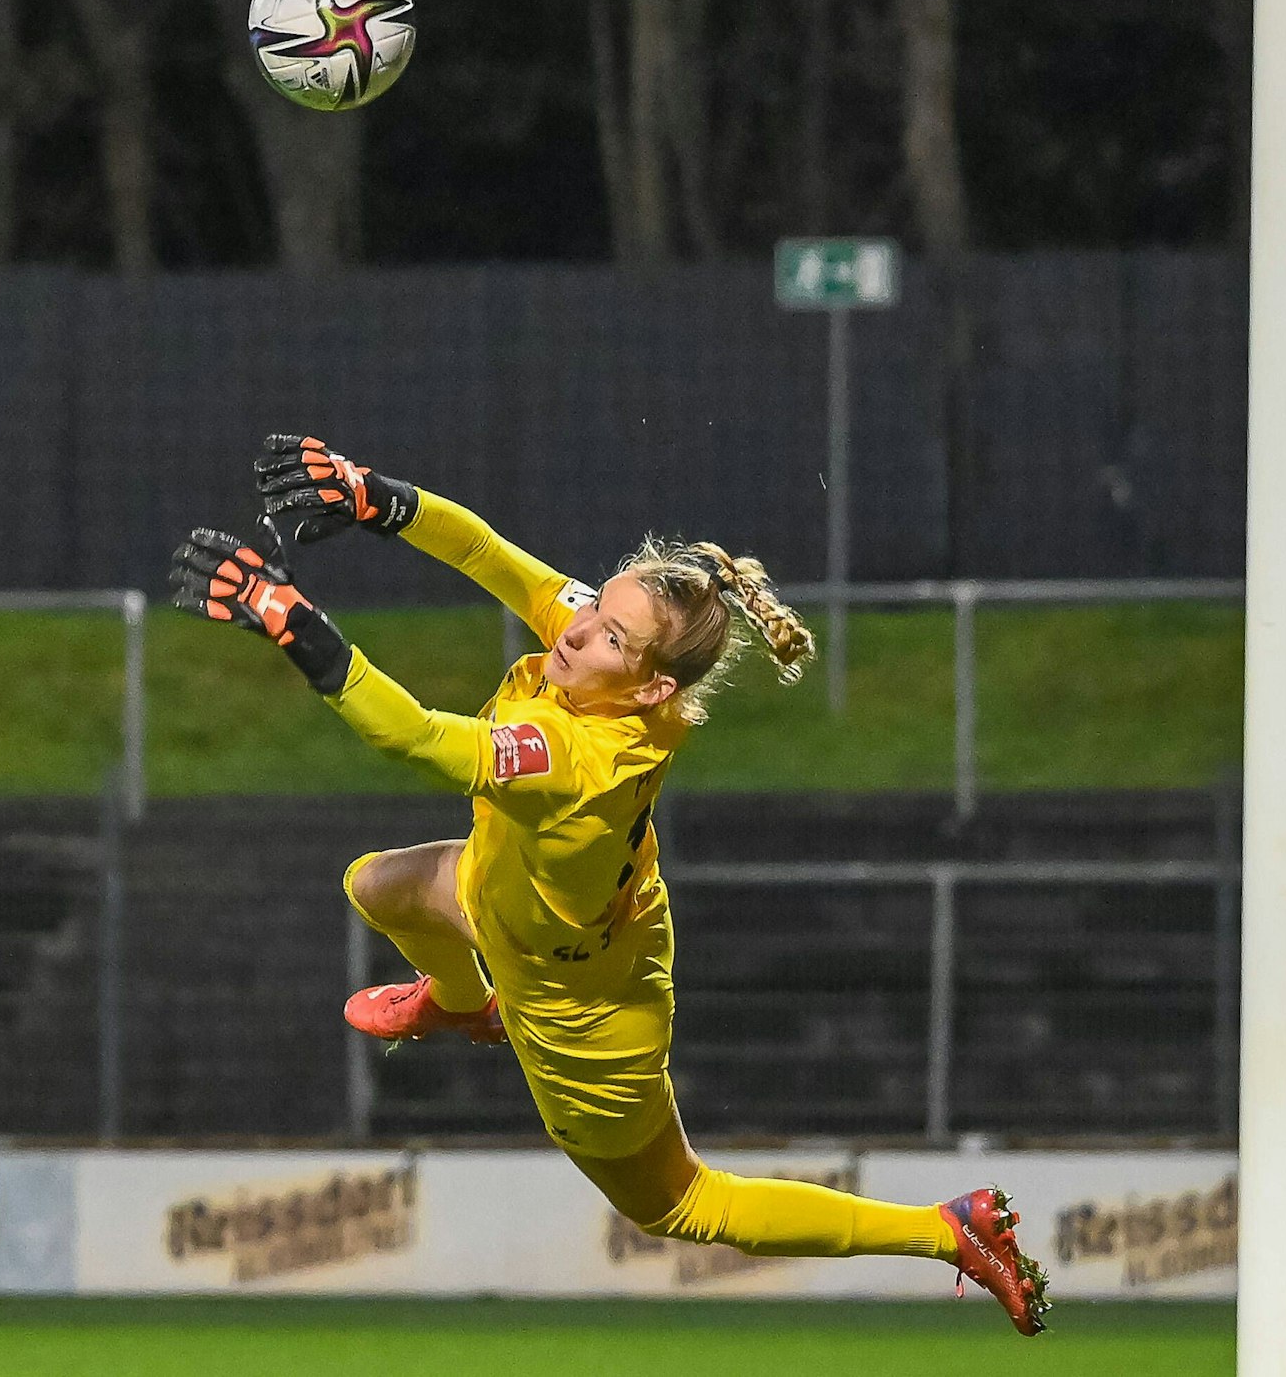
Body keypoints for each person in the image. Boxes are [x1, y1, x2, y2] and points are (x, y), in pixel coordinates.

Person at [168, 435, 1048, 1335]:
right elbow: (487, 554)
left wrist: (291, 619)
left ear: (648, 686)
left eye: (608, 635)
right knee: (376, 886)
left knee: (681, 1207)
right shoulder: (611, 656)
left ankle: (949, 1231)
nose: (577, 629)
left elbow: (418, 739)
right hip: (511, 900)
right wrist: (379, 496)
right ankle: (468, 1003)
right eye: (595, 607)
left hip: (580, 1002)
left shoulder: (577, 755)